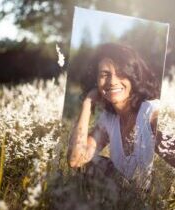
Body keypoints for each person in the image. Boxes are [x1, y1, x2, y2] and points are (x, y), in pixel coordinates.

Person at [67, 43, 160, 188]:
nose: (112, 81)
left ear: (133, 77)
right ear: (96, 81)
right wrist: (87, 103)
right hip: (123, 201)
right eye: (104, 74)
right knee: (93, 165)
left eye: (121, 72)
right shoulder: (108, 120)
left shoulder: (152, 112)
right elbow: (76, 160)